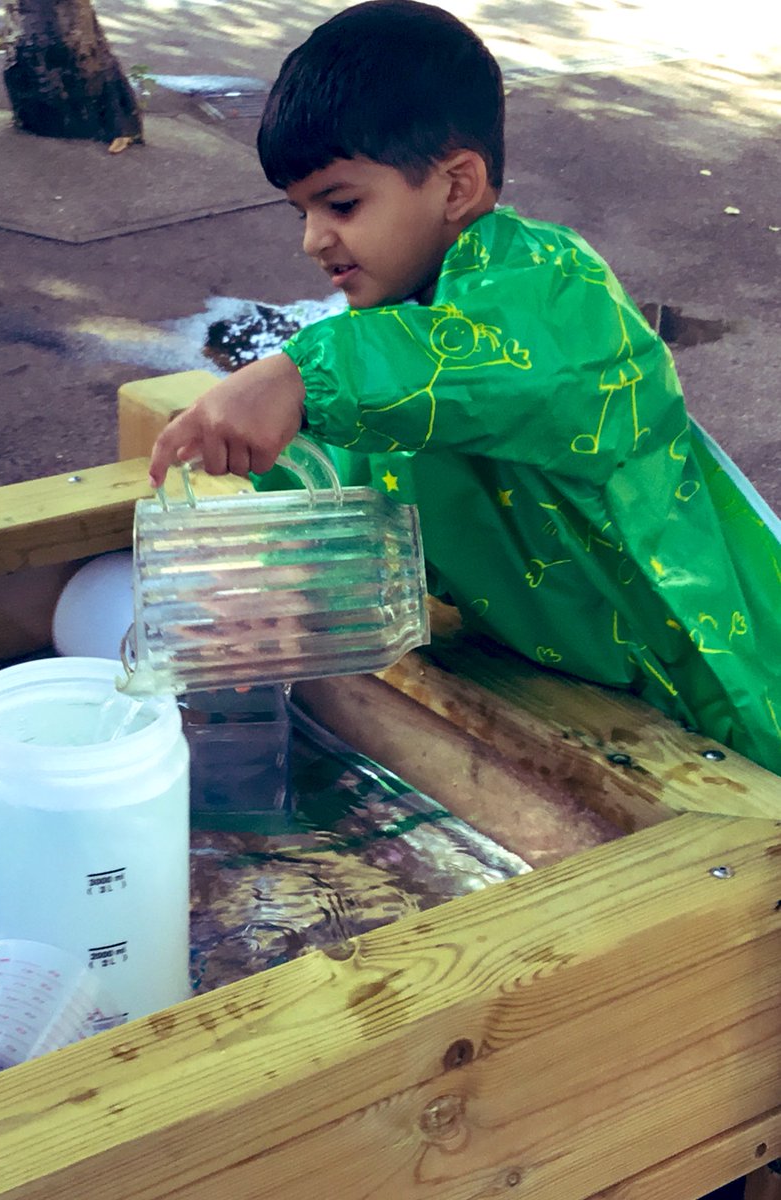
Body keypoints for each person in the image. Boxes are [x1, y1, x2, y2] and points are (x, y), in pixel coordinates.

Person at [149, 0, 781, 774]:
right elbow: (353, 493)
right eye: (302, 211)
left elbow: (493, 370)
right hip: (587, 707)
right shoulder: (385, 345)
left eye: (341, 204)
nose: (314, 239)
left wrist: (296, 375)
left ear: (456, 187)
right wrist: (275, 566)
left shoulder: (551, 287)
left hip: (720, 690)